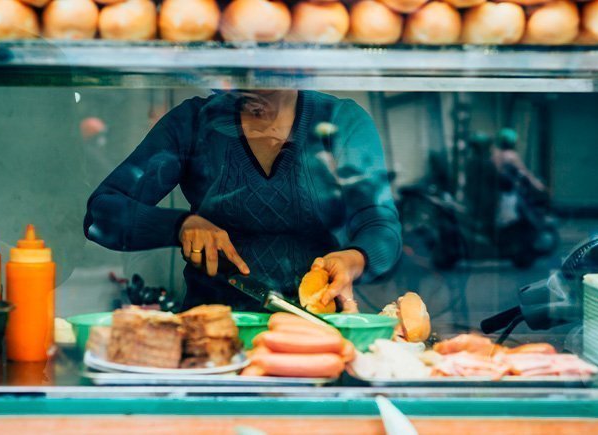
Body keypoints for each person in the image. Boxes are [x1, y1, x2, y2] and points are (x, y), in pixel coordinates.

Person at [83, 90, 402, 313]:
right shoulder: (193, 123)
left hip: (317, 331)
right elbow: (102, 216)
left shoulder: (340, 120)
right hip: (213, 332)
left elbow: (380, 224)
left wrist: (354, 258)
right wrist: (180, 226)